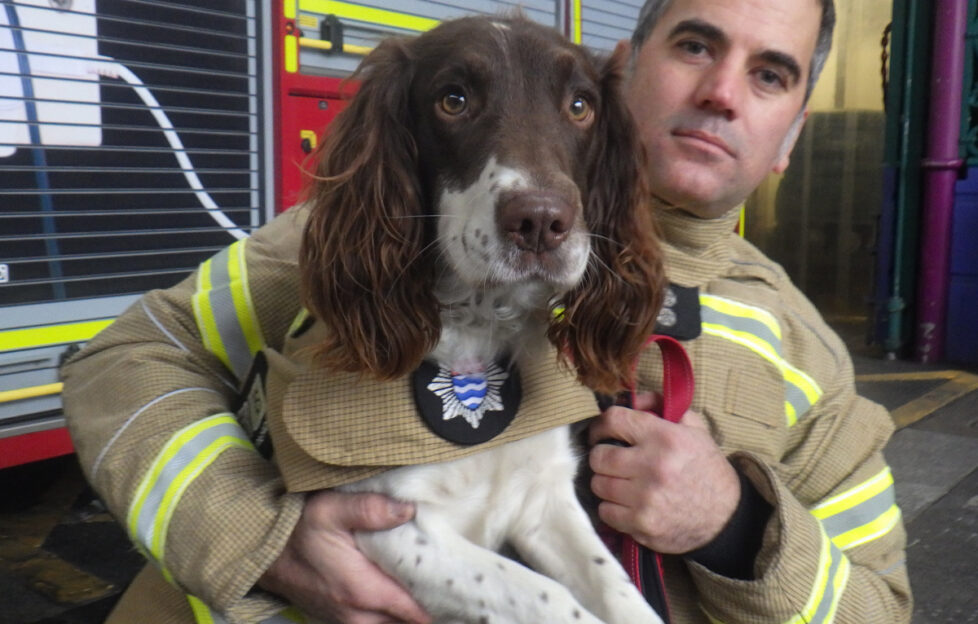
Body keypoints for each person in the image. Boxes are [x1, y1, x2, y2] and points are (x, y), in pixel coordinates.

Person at [60, 0, 911, 623]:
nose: (724, 92)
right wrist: (255, 537)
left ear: (794, 131)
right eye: (696, 45)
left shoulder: (810, 356)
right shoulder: (345, 244)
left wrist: (736, 527)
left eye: (771, 74)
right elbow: (119, 360)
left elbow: (877, 603)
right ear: (631, 66)